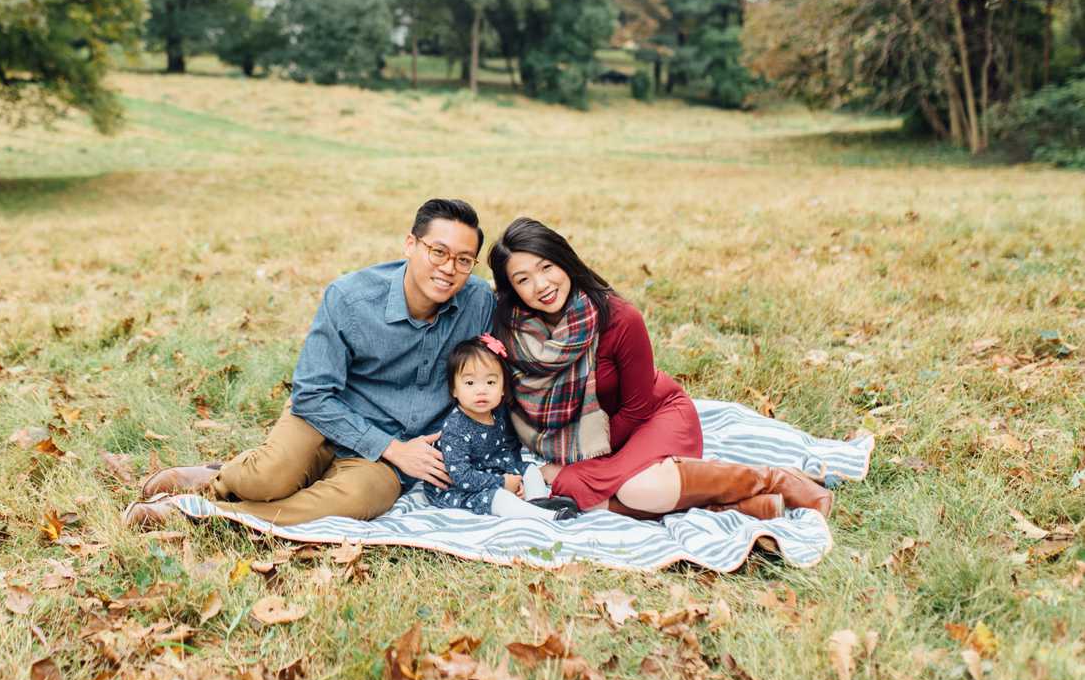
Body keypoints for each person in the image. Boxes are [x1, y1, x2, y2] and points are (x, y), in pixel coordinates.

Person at [124, 198, 496, 527]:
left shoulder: (477, 301)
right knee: (266, 479)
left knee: (364, 498)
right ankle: (216, 479)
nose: (450, 268)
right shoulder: (350, 298)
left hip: (392, 457)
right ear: (410, 244)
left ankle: (199, 513)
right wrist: (393, 448)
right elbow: (312, 395)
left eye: (464, 260)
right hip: (328, 419)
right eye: (438, 252)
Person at [488, 217, 833, 520]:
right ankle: (741, 507)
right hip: (590, 443)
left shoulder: (620, 318)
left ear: (565, 262)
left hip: (653, 419)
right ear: (512, 289)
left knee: (629, 489)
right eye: (524, 279)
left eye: (547, 267)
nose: (541, 285)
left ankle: (775, 479)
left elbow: (638, 408)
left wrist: (585, 459)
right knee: (571, 490)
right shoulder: (514, 335)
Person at [422, 334, 575, 522]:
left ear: (503, 388)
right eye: (470, 383)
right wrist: (503, 483)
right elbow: (461, 476)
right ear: (454, 389)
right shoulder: (455, 427)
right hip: (456, 487)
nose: (481, 390)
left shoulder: (497, 415)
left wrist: (516, 480)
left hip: (490, 471)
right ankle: (547, 517)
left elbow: (506, 451)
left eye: (491, 382)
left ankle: (537, 501)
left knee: (530, 469)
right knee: (499, 498)